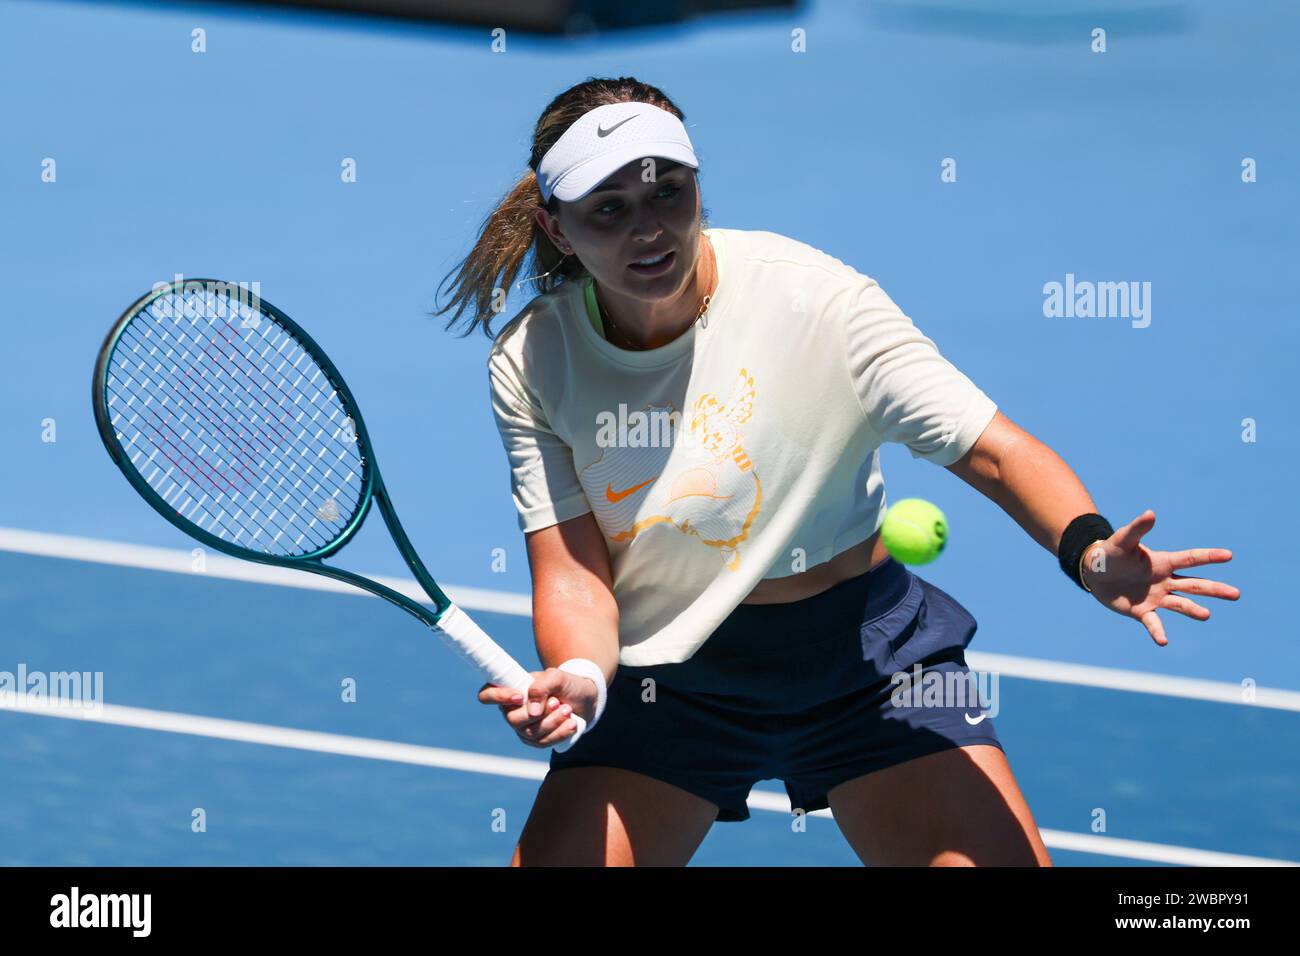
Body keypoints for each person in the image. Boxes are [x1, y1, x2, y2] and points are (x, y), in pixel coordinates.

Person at [435, 76, 1240, 866]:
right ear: (558, 228)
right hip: (666, 681)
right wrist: (581, 673)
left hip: (867, 665)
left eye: (667, 193)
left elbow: (995, 450)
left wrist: (1089, 549)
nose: (649, 229)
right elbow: (576, 575)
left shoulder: (818, 303)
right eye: (608, 209)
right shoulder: (534, 360)